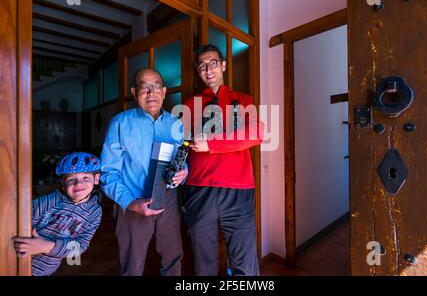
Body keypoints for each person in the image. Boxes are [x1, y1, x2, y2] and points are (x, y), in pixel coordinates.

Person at [182, 44, 263, 276]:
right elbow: (182, 146)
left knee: (244, 262)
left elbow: (256, 133)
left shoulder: (243, 99)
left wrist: (211, 144)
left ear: (224, 65)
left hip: (238, 189)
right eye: (202, 66)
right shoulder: (189, 104)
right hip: (198, 189)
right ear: (198, 71)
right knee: (202, 261)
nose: (208, 70)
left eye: (213, 63)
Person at [101, 68, 187, 276]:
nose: (151, 92)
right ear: (134, 91)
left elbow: (182, 159)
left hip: (168, 198)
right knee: (132, 264)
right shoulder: (120, 123)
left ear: (164, 91)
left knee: (173, 257)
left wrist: (184, 171)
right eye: (144, 87)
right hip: (134, 200)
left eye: (156, 86)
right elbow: (107, 173)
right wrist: (130, 202)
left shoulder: (176, 124)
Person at [12, 152, 103, 276]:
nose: (78, 183)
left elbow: (80, 246)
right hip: (17, 262)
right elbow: (19, 218)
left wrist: (46, 246)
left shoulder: (95, 212)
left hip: (46, 271)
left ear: (96, 179)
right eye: (71, 179)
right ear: (63, 183)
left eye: (85, 178)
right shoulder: (50, 201)